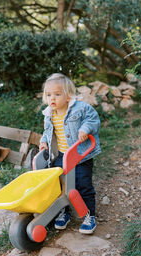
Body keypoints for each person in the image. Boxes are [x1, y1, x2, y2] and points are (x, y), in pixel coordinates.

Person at [39, 73, 101, 234]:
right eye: (49, 94)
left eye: (57, 94)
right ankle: (64, 211)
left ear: (68, 96)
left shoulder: (80, 108)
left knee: (83, 184)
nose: (52, 98)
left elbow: (93, 119)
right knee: (60, 184)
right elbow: (48, 132)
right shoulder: (49, 114)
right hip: (61, 156)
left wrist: (85, 129)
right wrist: (43, 141)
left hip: (80, 156)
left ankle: (89, 216)